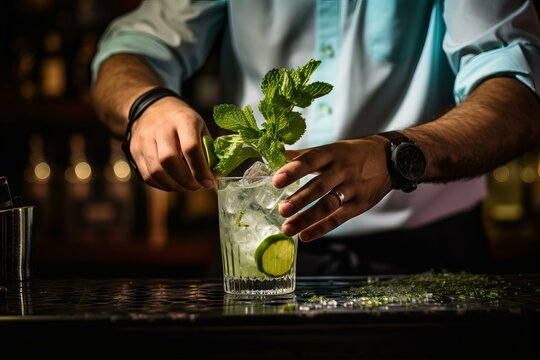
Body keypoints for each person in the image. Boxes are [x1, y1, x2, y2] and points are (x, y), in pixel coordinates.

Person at [90, 0, 540, 276]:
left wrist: (396, 154)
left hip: (431, 247)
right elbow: (133, 46)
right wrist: (145, 104)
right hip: (259, 246)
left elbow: (517, 87)